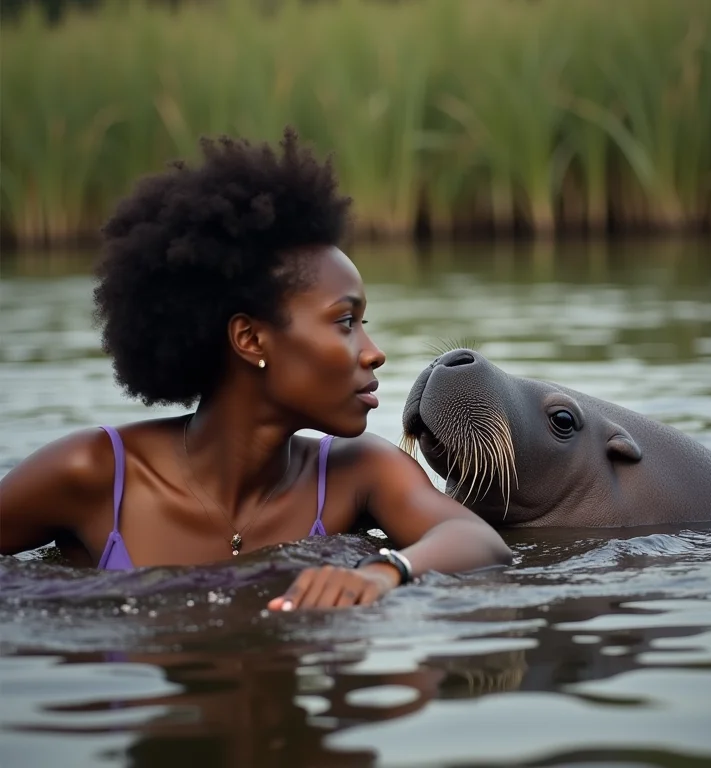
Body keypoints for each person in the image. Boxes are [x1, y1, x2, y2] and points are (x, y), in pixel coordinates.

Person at [0, 128, 512, 611]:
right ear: (250, 339)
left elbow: (478, 543)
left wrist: (385, 571)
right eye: (345, 322)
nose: (373, 352)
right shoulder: (94, 473)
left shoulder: (359, 471)